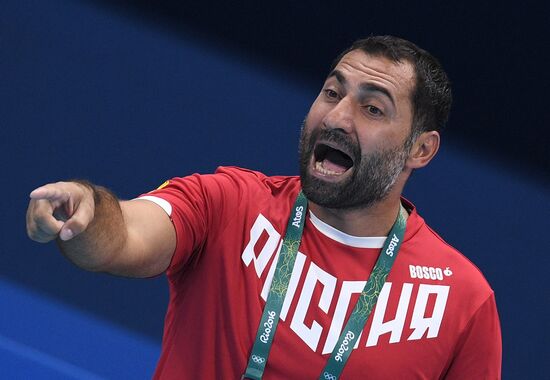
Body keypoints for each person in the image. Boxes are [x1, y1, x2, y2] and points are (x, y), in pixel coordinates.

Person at [26, 35, 502, 379]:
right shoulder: (231, 204)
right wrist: (87, 210)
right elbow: (125, 236)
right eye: (332, 93)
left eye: (372, 109)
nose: (336, 118)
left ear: (421, 150)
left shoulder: (462, 300)